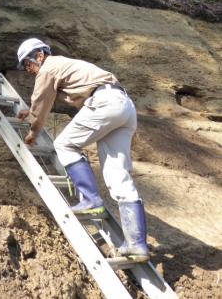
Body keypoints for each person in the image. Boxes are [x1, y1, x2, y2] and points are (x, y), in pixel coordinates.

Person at [16, 38, 148, 261]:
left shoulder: (48, 67)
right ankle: (137, 244)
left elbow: (41, 101)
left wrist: (33, 132)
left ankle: (90, 200)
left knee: (64, 143)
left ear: (39, 55)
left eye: (28, 64)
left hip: (104, 102)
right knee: (119, 177)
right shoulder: (62, 66)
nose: (28, 70)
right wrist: (30, 112)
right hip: (123, 106)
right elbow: (45, 100)